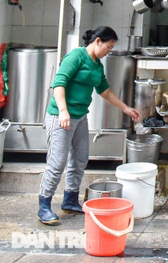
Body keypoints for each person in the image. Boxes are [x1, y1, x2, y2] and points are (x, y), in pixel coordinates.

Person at [37, 27, 141, 225]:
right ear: (98, 41)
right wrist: (63, 110)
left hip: (80, 118)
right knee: (57, 162)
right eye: (108, 47)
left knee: (80, 159)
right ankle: (44, 205)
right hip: (60, 117)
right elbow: (59, 83)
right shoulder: (76, 56)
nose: (108, 51)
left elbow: (104, 91)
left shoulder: (97, 65)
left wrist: (125, 108)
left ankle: (70, 199)